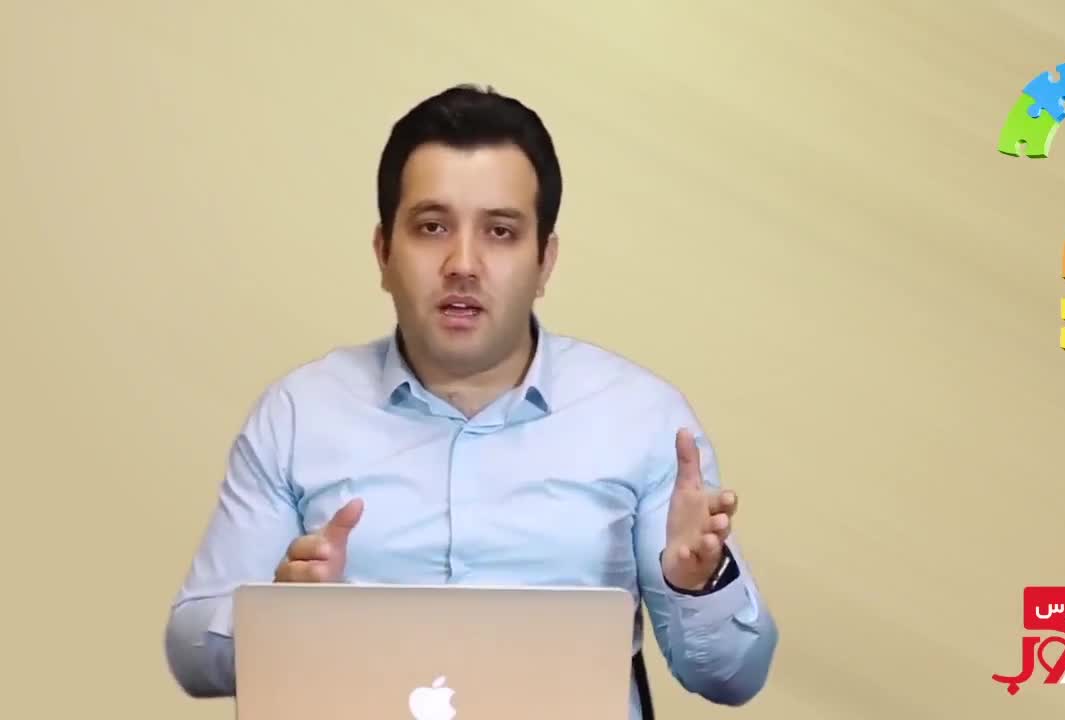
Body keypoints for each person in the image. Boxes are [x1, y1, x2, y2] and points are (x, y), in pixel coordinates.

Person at [164, 84, 779, 719]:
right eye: (432, 227)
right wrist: (277, 613)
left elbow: (733, 677)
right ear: (383, 252)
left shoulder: (642, 420)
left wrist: (697, 583)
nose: (462, 263)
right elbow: (191, 652)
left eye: (501, 232)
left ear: (545, 261)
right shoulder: (298, 414)